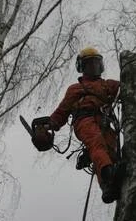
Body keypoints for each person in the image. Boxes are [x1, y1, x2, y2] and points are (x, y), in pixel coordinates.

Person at [47, 47, 120, 203]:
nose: (94, 67)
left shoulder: (107, 85)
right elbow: (62, 111)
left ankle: (110, 185)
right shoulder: (75, 89)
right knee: (96, 143)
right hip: (84, 120)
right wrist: (48, 126)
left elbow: (129, 86)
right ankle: (108, 177)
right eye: (90, 64)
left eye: (96, 64)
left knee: (110, 151)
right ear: (83, 67)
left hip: (105, 122)